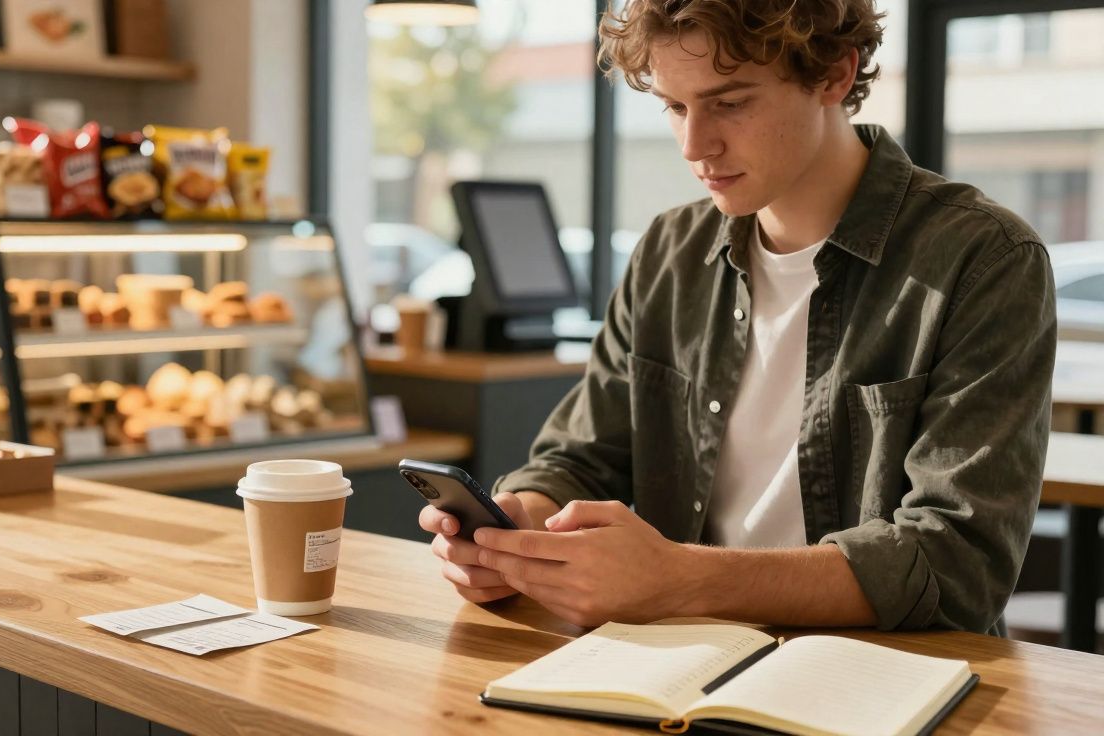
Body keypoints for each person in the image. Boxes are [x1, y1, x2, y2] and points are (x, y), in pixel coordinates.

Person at [419, 0, 1055, 634]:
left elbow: (956, 565)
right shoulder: (670, 251)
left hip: (885, 678)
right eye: (675, 106)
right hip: (677, 662)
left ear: (834, 74)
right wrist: (518, 530)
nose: (696, 145)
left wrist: (675, 578)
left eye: (730, 103)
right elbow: (579, 460)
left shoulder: (984, 260)